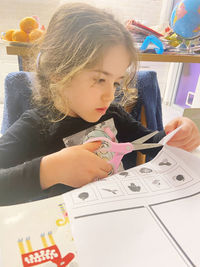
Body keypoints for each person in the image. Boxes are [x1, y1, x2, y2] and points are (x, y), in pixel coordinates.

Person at [0, 3, 199, 206]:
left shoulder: (114, 116)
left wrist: (176, 136)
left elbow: (151, 143)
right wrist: (48, 170)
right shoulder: (35, 126)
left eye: (116, 82)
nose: (110, 95)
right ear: (58, 73)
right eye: (100, 80)